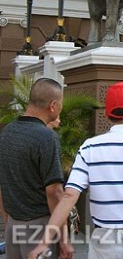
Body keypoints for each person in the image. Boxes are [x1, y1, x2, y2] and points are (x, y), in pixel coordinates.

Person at [29, 82, 123, 259]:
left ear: (108, 115)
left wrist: (44, 242)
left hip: (104, 239)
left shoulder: (90, 148)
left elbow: (69, 196)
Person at [0, 77, 72, 259]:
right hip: (40, 227)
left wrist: (8, 220)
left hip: (13, 226)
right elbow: (54, 193)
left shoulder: (7, 132)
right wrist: (63, 238)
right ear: (53, 105)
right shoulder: (46, 138)